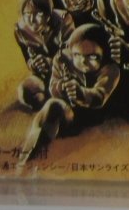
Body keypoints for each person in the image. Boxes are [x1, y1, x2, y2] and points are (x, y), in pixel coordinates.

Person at [17, 24, 123, 166]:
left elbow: (99, 97)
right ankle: (27, 161)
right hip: (67, 115)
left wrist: (80, 93)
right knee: (52, 106)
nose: (83, 61)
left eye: (92, 56)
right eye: (77, 55)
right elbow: (53, 87)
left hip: (93, 120)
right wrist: (61, 87)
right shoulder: (62, 59)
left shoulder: (110, 69)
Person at [13, 0, 75, 109]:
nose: (32, 19)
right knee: (25, 91)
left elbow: (71, 54)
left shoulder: (63, 20)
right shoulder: (20, 30)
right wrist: (34, 64)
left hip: (67, 73)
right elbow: (27, 58)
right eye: (27, 14)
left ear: (47, 13)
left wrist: (51, 62)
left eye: (38, 13)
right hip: (44, 76)